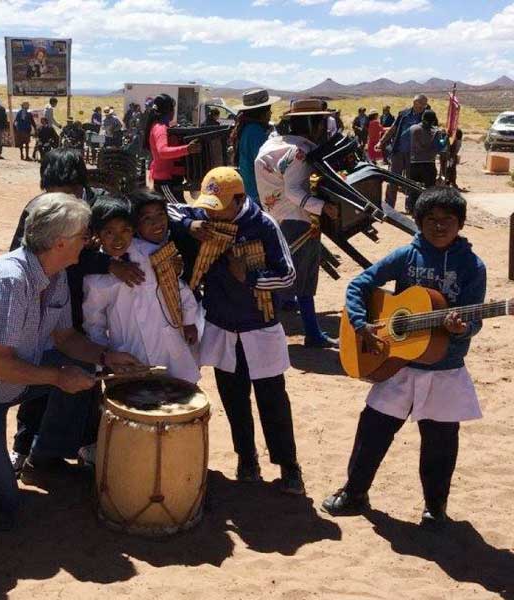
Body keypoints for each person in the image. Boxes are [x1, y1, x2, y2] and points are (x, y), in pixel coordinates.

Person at [322, 188, 485, 527]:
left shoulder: (472, 266)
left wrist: (460, 329)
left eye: (448, 221)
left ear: (461, 224)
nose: (439, 227)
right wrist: (360, 322)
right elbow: (359, 285)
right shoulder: (407, 256)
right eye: (430, 220)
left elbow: (474, 319)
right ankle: (354, 492)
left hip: (444, 368)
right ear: (419, 222)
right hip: (397, 364)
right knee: (373, 431)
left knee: (440, 442)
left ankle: (435, 507)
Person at [0, 193, 142, 527]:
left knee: (84, 368)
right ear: (59, 242)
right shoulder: (12, 279)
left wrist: (106, 356)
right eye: (85, 236)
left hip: (23, 375)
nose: (90, 242)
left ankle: (45, 455)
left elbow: (65, 338)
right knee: (4, 506)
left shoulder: (56, 274)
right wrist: (56, 377)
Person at [7, 151, 145, 474]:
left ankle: (84, 444)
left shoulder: (97, 208)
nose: (62, 200)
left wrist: (107, 261)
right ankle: (23, 445)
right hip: (47, 303)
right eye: (54, 191)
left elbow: (116, 237)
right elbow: (23, 253)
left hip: (84, 305)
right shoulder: (36, 210)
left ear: (81, 187)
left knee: (86, 378)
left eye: (69, 191)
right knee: (36, 372)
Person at [167, 167, 303, 492]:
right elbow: (169, 208)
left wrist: (252, 278)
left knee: (273, 401)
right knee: (234, 401)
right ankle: (247, 458)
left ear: (240, 199)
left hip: (260, 330)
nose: (212, 212)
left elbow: (288, 277)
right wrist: (190, 224)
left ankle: (289, 465)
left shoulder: (264, 226)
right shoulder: (204, 213)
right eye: (208, 205)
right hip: (222, 328)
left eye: (220, 206)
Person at [84, 195, 201, 383]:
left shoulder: (153, 254)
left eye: (125, 230)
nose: (118, 239)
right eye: (109, 233)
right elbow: (94, 324)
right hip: (128, 354)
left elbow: (179, 289)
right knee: (137, 403)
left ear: (134, 230)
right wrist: (107, 358)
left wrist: (188, 321)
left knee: (177, 396)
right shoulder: (95, 279)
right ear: (97, 234)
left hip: (168, 346)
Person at [255, 98, 340, 348]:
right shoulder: (300, 151)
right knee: (301, 278)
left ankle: (293, 332)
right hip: (298, 219)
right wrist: (324, 207)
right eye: (322, 122)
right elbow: (293, 190)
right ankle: (303, 334)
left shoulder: (272, 144)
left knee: (286, 276)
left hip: (275, 217)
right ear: (312, 123)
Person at [142, 93, 200, 203]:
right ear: (169, 110)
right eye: (173, 108)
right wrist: (188, 149)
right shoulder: (160, 127)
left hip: (170, 179)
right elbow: (162, 151)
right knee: (180, 211)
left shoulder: (161, 125)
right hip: (165, 180)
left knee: (176, 213)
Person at [377, 94, 428, 208]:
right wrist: (381, 141)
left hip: (415, 154)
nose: (423, 106)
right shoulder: (403, 114)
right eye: (421, 104)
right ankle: (389, 206)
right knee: (393, 179)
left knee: (412, 181)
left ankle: (410, 206)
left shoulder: (426, 116)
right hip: (398, 151)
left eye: (425, 104)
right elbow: (392, 129)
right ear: (414, 103)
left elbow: (431, 131)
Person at [231, 89, 279, 203]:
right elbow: (265, 164)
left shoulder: (248, 128)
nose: (270, 113)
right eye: (269, 110)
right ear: (262, 112)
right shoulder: (255, 132)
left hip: (251, 189)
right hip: (258, 192)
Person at [407, 109, 448, 213]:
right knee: (428, 189)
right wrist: (446, 138)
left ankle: (412, 208)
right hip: (429, 164)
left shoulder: (412, 129)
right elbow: (439, 147)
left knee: (413, 188)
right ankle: (426, 210)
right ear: (433, 120)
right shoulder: (436, 132)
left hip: (414, 163)